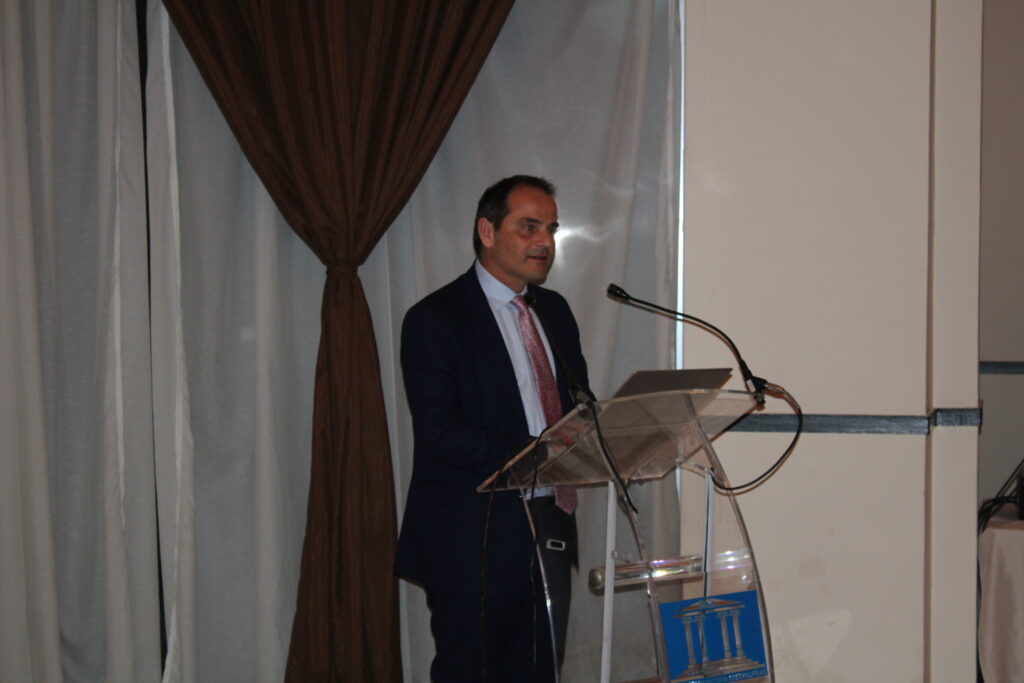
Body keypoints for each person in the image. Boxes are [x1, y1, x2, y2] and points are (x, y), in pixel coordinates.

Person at [395, 175, 592, 682]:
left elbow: (577, 403)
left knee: (542, 670)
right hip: (472, 533)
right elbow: (440, 430)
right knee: (473, 672)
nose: (544, 241)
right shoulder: (435, 318)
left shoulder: (554, 311)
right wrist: (539, 453)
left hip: (549, 520)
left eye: (551, 229)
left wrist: (594, 431)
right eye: (529, 227)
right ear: (487, 231)